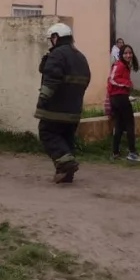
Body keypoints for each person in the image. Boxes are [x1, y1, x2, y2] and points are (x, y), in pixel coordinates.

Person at [35, 23, 91, 184]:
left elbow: (51, 79)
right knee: (66, 139)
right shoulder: (80, 56)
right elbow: (86, 81)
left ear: (55, 37)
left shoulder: (57, 54)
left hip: (55, 108)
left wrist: (43, 99)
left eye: (51, 38)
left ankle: (66, 164)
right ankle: (65, 174)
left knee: (47, 132)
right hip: (74, 109)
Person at [108, 44, 140, 162]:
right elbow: (112, 79)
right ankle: (132, 152)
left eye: (130, 53)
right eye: (126, 53)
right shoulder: (119, 65)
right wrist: (127, 83)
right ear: (121, 55)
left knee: (119, 125)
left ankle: (115, 152)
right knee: (129, 124)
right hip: (119, 98)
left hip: (118, 98)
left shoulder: (125, 66)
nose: (128, 55)